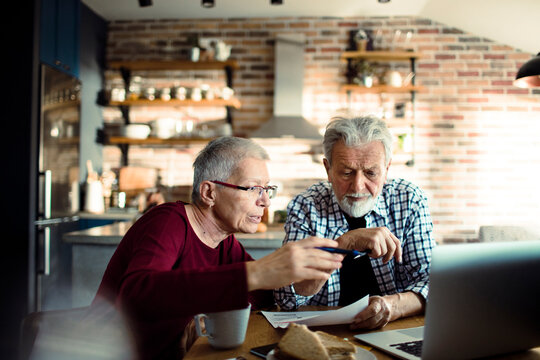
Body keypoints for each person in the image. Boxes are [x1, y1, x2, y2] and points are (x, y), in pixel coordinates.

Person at [90, 136, 344, 360]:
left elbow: (263, 296)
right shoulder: (168, 220)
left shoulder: (224, 242)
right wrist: (255, 273)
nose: (265, 201)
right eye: (254, 188)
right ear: (209, 192)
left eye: (267, 189)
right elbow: (137, 295)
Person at [274, 115, 436, 330]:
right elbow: (288, 299)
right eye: (347, 173)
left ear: (386, 170)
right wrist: (342, 245)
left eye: (370, 173)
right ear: (328, 170)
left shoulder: (409, 200)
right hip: (322, 336)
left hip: (394, 329)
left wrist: (393, 306)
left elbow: (432, 283)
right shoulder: (306, 207)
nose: (358, 186)